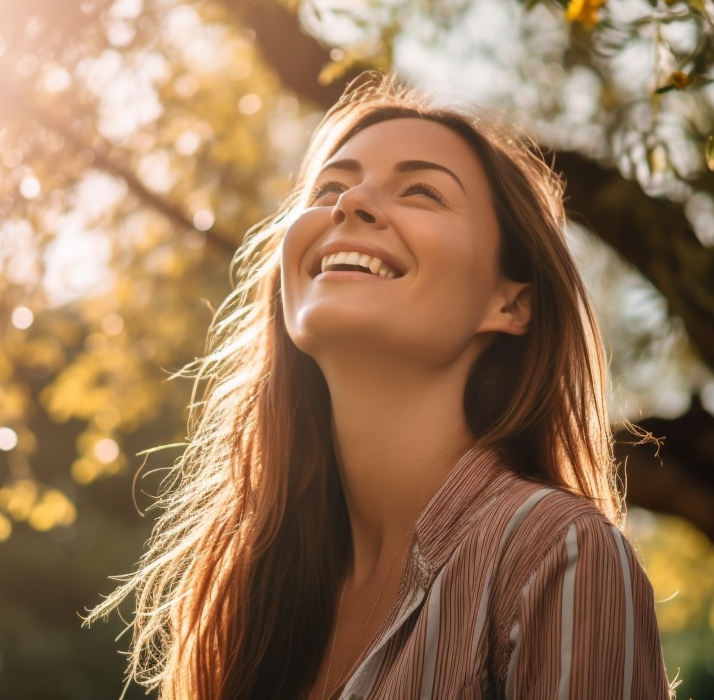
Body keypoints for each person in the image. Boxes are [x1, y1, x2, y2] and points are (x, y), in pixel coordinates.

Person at [85, 73, 673, 699]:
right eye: (330, 187)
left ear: (510, 304)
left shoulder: (556, 554)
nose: (349, 204)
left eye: (422, 191)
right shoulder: (248, 604)